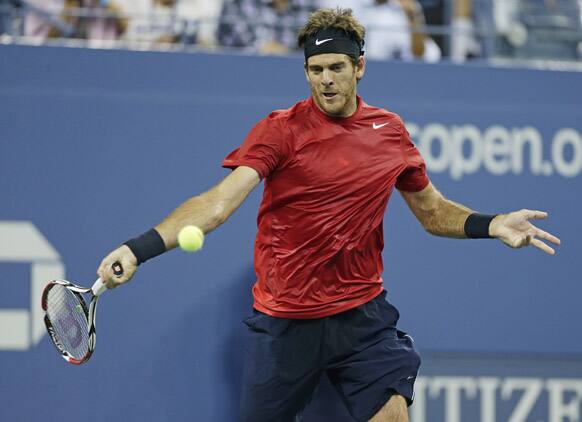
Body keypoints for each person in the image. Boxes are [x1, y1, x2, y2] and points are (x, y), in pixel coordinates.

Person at [97, 7, 561, 422]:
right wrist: (139, 249)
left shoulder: (389, 132)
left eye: (337, 67)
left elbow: (432, 212)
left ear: (359, 67)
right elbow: (217, 205)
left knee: (393, 415)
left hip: (361, 319)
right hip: (284, 324)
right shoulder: (280, 131)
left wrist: (491, 224)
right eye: (315, 69)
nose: (326, 79)